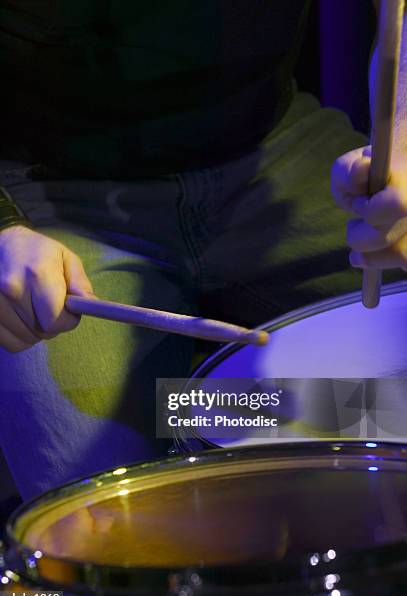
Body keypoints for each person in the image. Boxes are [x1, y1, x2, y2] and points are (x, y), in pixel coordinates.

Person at [0, 1, 401, 500]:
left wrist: (401, 143)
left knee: (393, 399)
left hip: (270, 140)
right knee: (102, 497)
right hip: (46, 185)